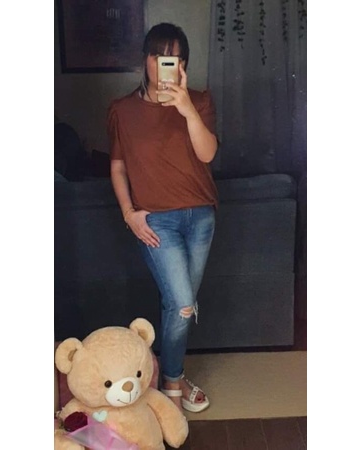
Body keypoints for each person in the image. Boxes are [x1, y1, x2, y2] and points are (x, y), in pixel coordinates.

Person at [107, 23, 218, 413]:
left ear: (183, 65)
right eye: (159, 56)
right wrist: (128, 214)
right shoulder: (122, 110)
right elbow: (118, 167)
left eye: (175, 58)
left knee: (177, 306)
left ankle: (171, 379)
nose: (166, 65)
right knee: (184, 302)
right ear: (146, 60)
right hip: (156, 221)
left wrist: (186, 109)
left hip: (201, 217)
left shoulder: (199, 101)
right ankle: (172, 382)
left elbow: (207, 154)